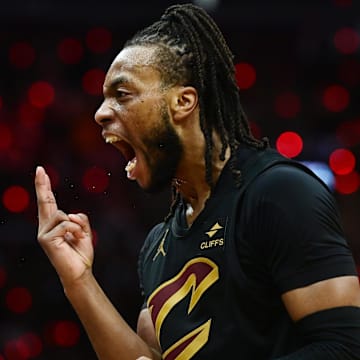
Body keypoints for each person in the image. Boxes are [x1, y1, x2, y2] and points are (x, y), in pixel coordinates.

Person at [35, 3, 360, 360]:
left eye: (122, 94)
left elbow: (344, 347)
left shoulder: (279, 193)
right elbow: (146, 357)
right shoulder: (157, 244)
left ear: (183, 102)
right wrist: (79, 282)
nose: (100, 112)